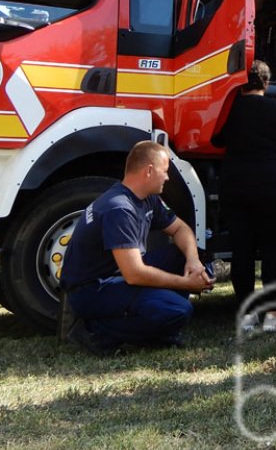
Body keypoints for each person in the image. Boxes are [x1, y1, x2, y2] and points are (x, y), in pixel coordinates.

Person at [59, 141, 215, 354]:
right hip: (92, 288)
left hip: (118, 274)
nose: (168, 178)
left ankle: (157, 323)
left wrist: (194, 262)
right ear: (149, 171)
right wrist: (187, 284)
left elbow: (180, 229)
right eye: (165, 171)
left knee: (189, 256)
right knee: (178, 311)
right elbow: (134, 274)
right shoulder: (120, 209)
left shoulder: (147, 198)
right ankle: (95, 331)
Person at [212, 60, 276, 331]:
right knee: (273, 248)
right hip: (266, 184)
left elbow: (217, 139)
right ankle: (273, 314)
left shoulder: (231, 109)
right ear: (266, 82)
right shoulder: (275, 108)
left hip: (233, 184)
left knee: (242, 250)